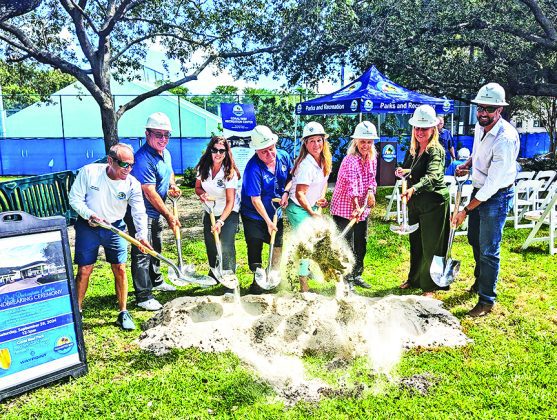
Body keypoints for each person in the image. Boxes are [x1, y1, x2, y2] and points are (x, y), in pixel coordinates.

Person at [452, 83, 519, 317]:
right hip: (479, 190)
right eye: (480, 107)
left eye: (489, 109)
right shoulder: (480, 128)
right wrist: (467, 165)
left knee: (489, 248)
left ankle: (486, 299)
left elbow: (492, 184)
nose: (483, 113)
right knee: (474, 239)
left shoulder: (505, 139)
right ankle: (480, 281)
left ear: (499, 110)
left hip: (497, 196)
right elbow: (478, 152)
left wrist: (465, 210)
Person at [69, 143, 152, 330]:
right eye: (124, 164)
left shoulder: (132, 183)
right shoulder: (89, 173)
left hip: (115, 227)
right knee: (84, 270)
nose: (128, 169)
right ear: (110, 160)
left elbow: (139, 212)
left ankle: (123, 313)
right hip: (88, 226)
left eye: (131, 165)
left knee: (120, 268)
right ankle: (76, 312)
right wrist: (89, 214)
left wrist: (142, 235)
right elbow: (74, 198)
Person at [125, 112, 182, 311]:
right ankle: (143, 295)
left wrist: (172, 184)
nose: (163, 139)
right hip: (142, 213)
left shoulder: (165, 153)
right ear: (147, 134)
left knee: (156, 247)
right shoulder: (142, 159)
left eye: (167, 135)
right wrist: (168, 215)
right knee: (143, 251)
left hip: (156, 212)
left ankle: (156, 280)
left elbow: (170, 171)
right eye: (158, 134)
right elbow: (149, 192)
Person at [396, 105, 451, 297]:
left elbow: (433, 176)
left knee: (431, 245)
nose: (420, 132)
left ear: (433, 129)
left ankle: (430, 285)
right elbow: (411, 169)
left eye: (424, 128)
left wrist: (414, 187)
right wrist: (403, 172)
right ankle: (415, 278)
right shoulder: (413, 149)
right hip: (416, 202)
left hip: (434, 202)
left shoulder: (436, 150)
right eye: (417, 128)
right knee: (416, 242)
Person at [241, 125, 292, 294]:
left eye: (271, 149)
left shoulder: (283, 156)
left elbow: (291, 178)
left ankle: (274, 277)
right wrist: (268, 222)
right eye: (264, 152)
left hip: (275, 211)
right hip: (253, 215)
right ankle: (257, 281)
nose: (269, 154)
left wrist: (286, 192)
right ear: (256, 151)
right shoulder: (252, 168)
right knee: (255, 245)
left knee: (277, 245)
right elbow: (255, 199)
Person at [330, 121, 378, 290]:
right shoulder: (350, 160)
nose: (366, 145)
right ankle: (346, 279)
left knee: (361, 243)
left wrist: (371, 191)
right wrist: (356, 206)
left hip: (361, 209)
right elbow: (353, 186)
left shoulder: (372, 158)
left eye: (369, 141)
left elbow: (371, 179)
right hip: (344, 208)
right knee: (346, 245)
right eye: (363, 141)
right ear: (356, 141)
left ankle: (357, 274)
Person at [285, 121, 332, 292]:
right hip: (298, 208)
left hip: (311, 206)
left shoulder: (324, 160)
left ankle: (307, 269)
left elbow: (324, 182)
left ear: (323, 141)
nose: (316, 144)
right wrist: (312, 213)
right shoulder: (306, 165)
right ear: (305, 143)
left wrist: (321, 198)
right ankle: (303, 285)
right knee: (307, 243)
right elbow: (299, 194)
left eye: (319, 140)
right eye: (311, 141)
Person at [194, 136, 241, 292]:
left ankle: (229, 281)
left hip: (228, 213)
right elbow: (198, 188)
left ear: (226, 152)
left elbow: (230, 202)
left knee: (226, 245)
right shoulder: (203, 167)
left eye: (222, 150)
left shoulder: (230, 172)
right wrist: (202, 195)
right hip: (210, 210)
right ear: (210, 150)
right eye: (215, 150)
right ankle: (214, 273)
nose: (218, 154)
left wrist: (220, 222)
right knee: (211, 244)